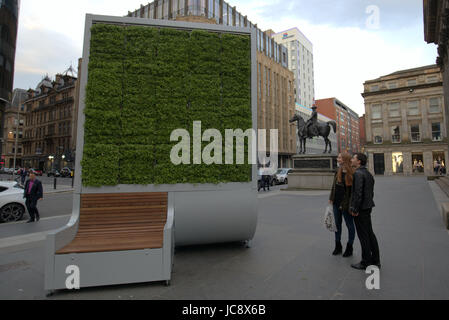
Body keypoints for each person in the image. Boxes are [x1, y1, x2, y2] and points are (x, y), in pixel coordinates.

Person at [350, 153, 380, 270]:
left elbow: (358, 193)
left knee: (363, 236)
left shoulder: (358, 173)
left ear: (359, 161)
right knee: (370, 234)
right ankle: (376, 260)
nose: (352, 160)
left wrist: (354, 208)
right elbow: (370, 193)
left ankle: (365, 261)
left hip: (361, 209)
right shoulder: (368, 173)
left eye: (353, 158)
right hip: (367, 207)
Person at [329, 152, 356, 257]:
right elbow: (334, 186)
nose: (337, 158)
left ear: (344, 159)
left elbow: (353, 192)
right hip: (336, 202)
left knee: (350, 225)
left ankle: (350, 247)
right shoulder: (338, 171)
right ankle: (338, 245)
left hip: (346, 204)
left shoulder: (353, 173)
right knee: (337, 225)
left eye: (339, 157)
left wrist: (351, 205)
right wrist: (331, 198)